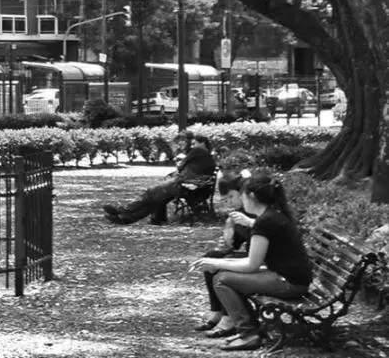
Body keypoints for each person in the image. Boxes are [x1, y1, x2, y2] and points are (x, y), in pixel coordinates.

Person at [188, 172, 312, 351]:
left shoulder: (265, 222)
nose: (241, 198)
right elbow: (252, 261)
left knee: (221, 279)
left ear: (251, 196)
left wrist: (215, 263)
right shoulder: (271, 215)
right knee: (222, 274)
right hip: (287, 276)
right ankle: (248, 328)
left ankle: (249, 334)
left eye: (242, 194)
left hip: (289, 282)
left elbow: (251, 265)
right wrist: (213, 261)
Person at [102, 134, 217, 225]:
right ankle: (128, 218)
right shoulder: (207, 156)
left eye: (194, 143)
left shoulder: (198, 151)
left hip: (183, 185)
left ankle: (124, 211)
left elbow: (181, 166)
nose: (192, 146)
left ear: (202, 143)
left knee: (151, 192)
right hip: (191, 187)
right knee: (157, 198)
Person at [194, 170, 255, 336]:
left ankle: (229, 318)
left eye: (231, 197)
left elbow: (261, 235)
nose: (229, 202)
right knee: (211, 257)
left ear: (242, 193)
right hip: (253, 256)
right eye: (226, 199)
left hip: (261, 260)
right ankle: (217, 311)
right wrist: (227, 242)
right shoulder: (240, 213)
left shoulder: (255, 210)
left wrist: (245, 224)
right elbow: (236, 244)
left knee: (221, 266)